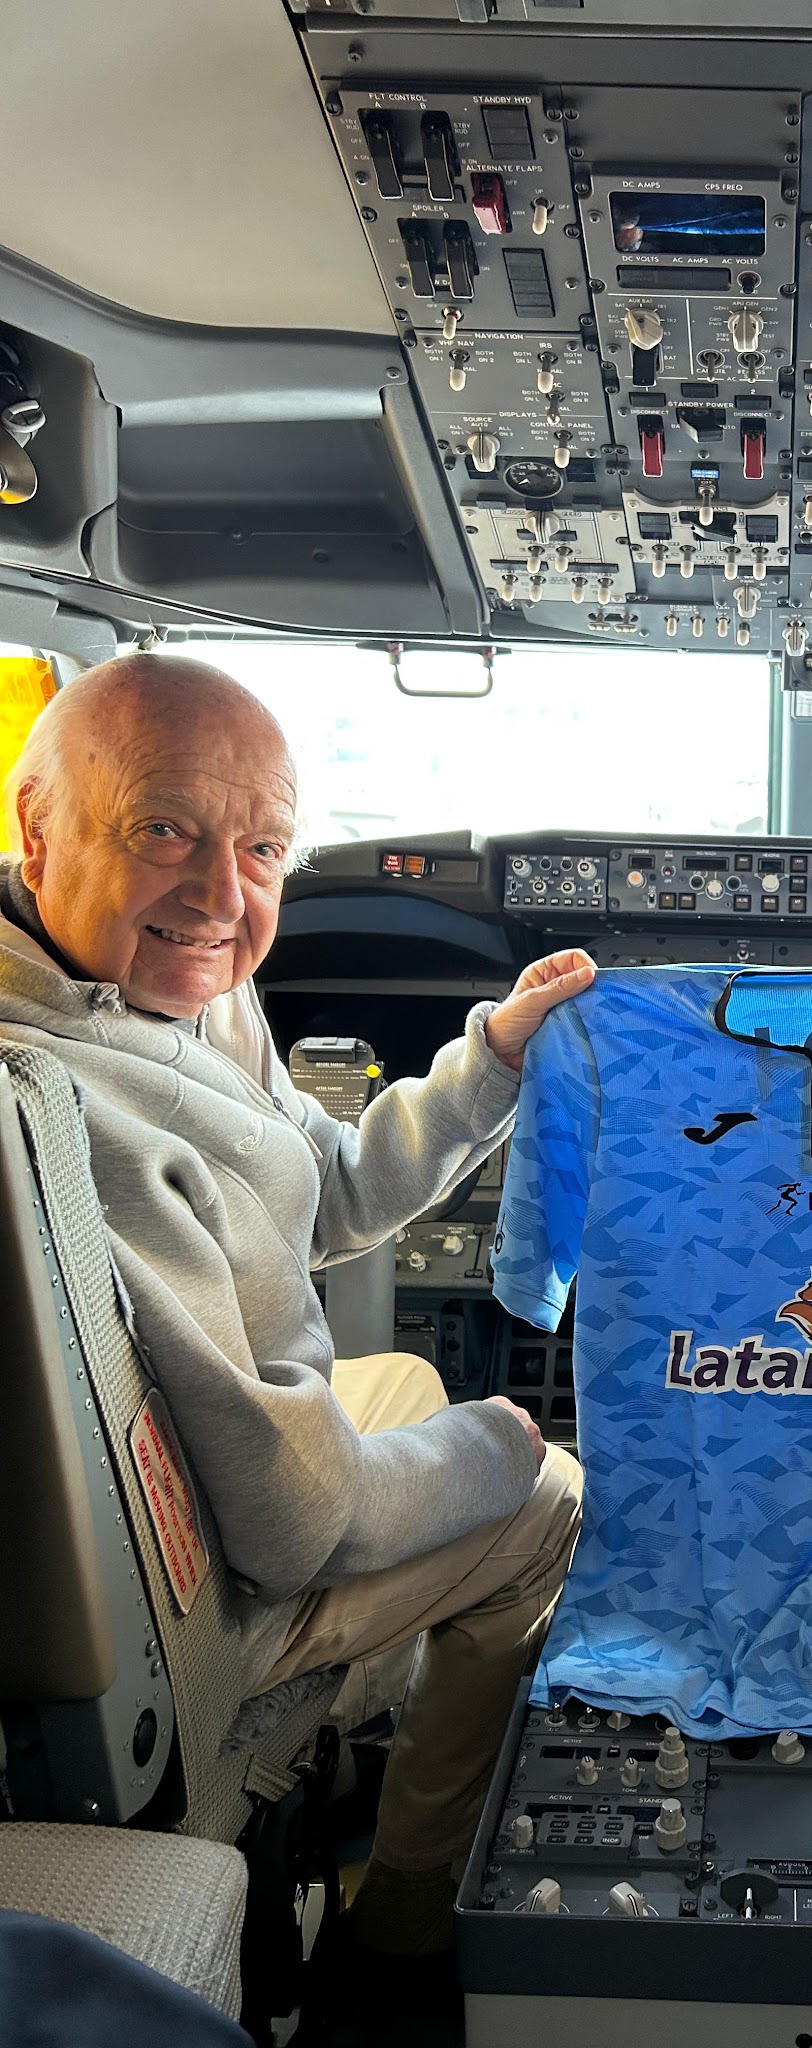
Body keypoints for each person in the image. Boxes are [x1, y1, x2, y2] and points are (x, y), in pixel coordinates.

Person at [0, 653, 593, 1953]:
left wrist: (491, 1056)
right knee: (547, 1495)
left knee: (409, 1384)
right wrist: (505, 1446)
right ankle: (412, 1917)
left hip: (191, 1480)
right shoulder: (51, 1104)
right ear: (36, 827)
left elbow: (328, 1190)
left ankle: (362, 1723)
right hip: (201, 1602)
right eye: (164, 828)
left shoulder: (184, 980)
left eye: (264, 848)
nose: (222, 895)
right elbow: (297, 1519)